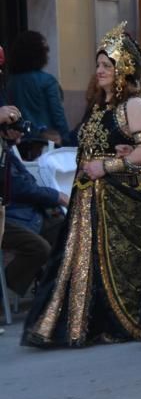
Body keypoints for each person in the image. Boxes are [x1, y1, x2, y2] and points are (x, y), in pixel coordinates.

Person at [22, 22, 141, 348]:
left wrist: (109, 165)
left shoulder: (134, 105)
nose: (100, 71)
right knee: (79, 262)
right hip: (88, 197)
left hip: (121, 199)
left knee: (115, 264)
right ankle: (75, 324)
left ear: (123, 68)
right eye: (98, 65)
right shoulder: (97, 107)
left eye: (107, 65)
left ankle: (118, 320)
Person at [1, 123, 69, 296]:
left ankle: (52, 290)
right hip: (10, 217)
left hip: (26, 214)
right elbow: (19, 188)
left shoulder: (7, 152)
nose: (20, 133)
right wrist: (56, 196)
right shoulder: (4, 153)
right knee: (39, 248)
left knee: (70, 232)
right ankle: (4, 290)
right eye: (13, 126)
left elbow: (26, 184)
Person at [6, 30, 70, 145]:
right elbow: (58, 115)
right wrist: (66, 141)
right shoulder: (48, 81)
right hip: (45, 142)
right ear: (40, 54)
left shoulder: (10, 82)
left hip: (19, 142)